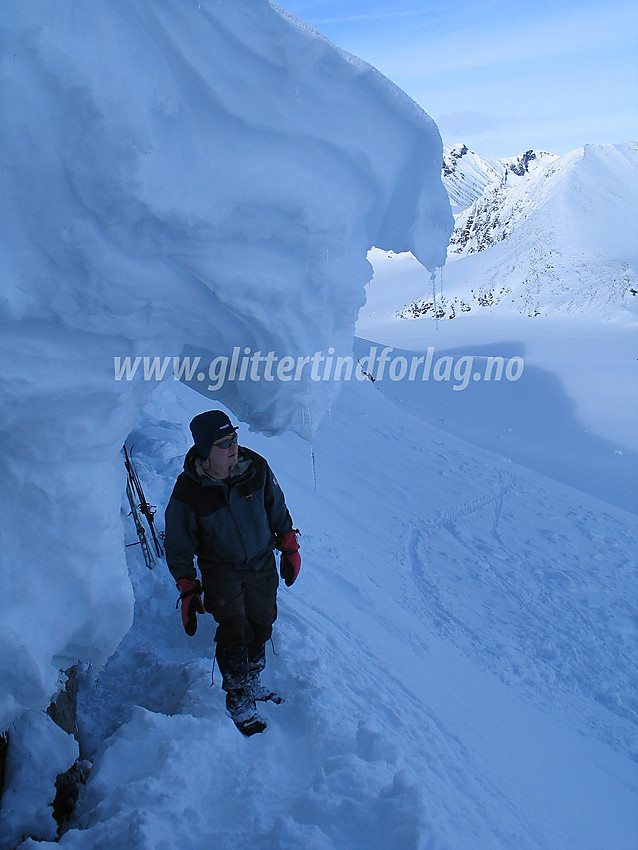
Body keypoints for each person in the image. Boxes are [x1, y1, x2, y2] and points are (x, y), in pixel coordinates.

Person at [164, 410, 301, 736]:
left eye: (234, 437)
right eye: (223, 442)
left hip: (261, 562)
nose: (233, 446)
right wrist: (187, 585)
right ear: (204, 449)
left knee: (262, 622)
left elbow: (276, 507)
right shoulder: (189, 490)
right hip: (221, 568)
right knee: (234, 629)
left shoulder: (255, 468)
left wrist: (290, 544)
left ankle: (252, 680)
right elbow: (179, 541)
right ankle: (238, 698)